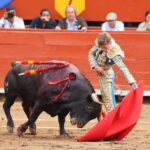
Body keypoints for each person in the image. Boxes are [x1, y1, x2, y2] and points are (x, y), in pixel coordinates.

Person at [88, 32, 137, 113]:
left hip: (107, 74)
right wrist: (96, 66)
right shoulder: (100, 44)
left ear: (109, 43)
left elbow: (123, 68)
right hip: (101, 74)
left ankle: (113, 117)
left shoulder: (115, 52)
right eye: (102, 48)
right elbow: (91, 53)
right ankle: (111, 117)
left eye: (106, 48)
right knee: (105, 97)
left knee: (109, 98)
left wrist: (132, 82)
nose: (104, 49)